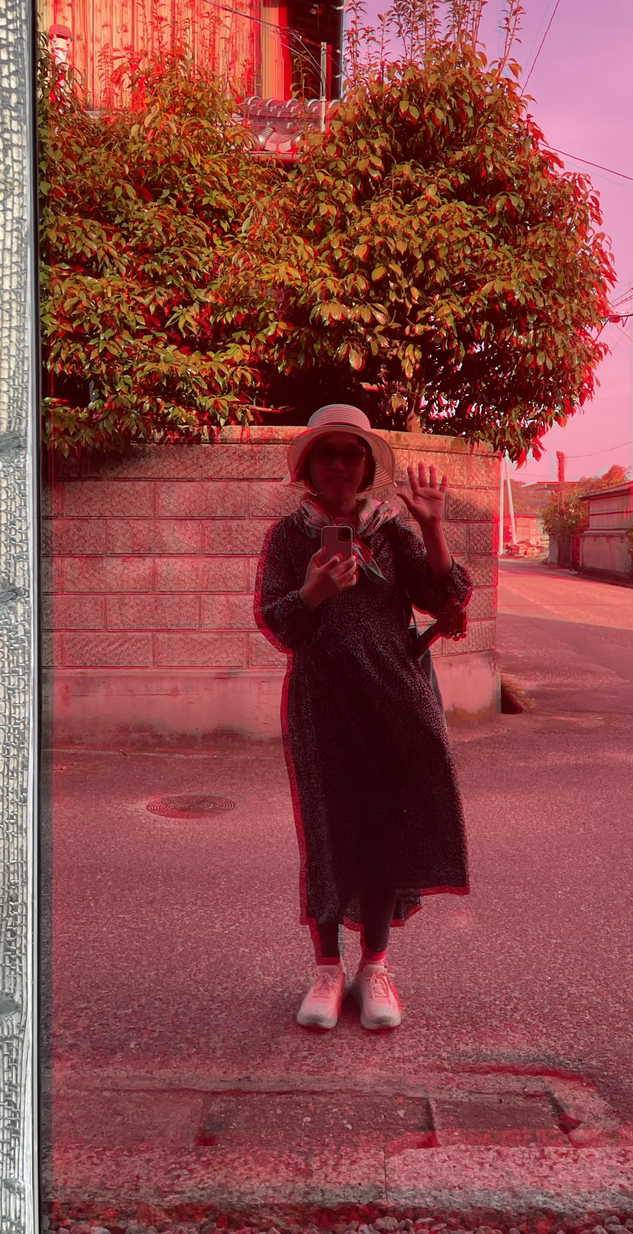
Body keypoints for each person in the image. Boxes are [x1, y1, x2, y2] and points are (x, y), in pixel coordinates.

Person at [254, 404, 473, 1031]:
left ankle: (374, 967)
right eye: (327, 453)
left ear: (367, 465)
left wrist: (433, 528)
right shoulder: (288, 537)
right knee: (326, 828)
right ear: (309, 467)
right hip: (322, 704)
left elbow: (445, 597)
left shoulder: (392, 529)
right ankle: (328, 970)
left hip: (394, 700)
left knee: (385, 829)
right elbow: (276, 621)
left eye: (352, 453)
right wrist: (314, 592)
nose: (340, 464)